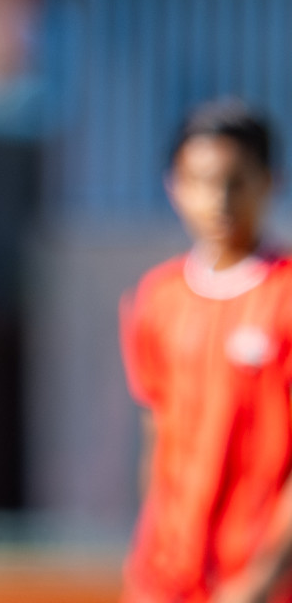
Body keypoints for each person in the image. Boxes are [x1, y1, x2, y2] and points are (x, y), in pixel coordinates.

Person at [120, 99, 292, 603]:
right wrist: (149, 558)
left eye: (235, 181)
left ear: (269, 181)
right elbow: (157, 440)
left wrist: (263, 578)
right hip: (168, 577)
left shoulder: (283, 294)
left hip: (260, 578)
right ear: (173, 186)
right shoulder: (157, 297)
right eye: (198, 180)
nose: (217, 199)